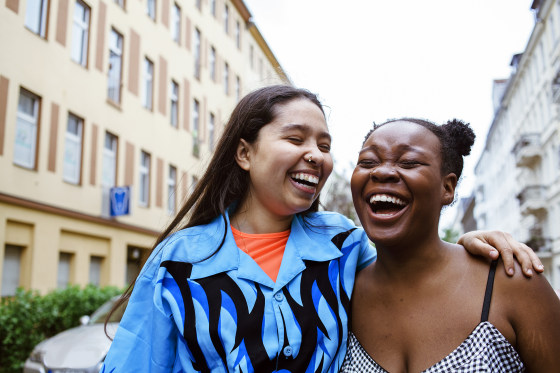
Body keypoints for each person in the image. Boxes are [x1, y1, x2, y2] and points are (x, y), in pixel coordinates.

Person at [101, 87, 542, 373]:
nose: (316, 155)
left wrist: (467, 245)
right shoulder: (178, 262)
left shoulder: (343, 245)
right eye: (296, 140)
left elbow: (411, 271)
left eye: (325, 145)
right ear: (245, 154)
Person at [342, 118, 560, 372]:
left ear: (448, 187)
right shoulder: (339, 294)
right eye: (367, 162)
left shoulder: (512, 280)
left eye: (409, 162)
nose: (381, 172)